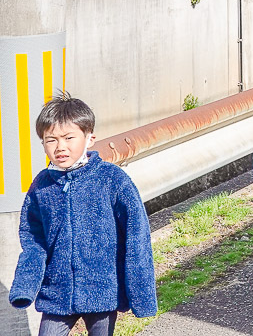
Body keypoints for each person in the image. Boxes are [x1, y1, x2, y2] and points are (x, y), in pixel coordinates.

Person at [9, 93, 158, 335]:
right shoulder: (41, 186)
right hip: (56, 293)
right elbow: (34, 242)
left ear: (89, 138)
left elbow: (137, 237)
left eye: (69, 138)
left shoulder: (112, 179)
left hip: (102, 290)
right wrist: (25, 287)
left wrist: (141, 295)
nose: (60, 147)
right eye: (51, 140)